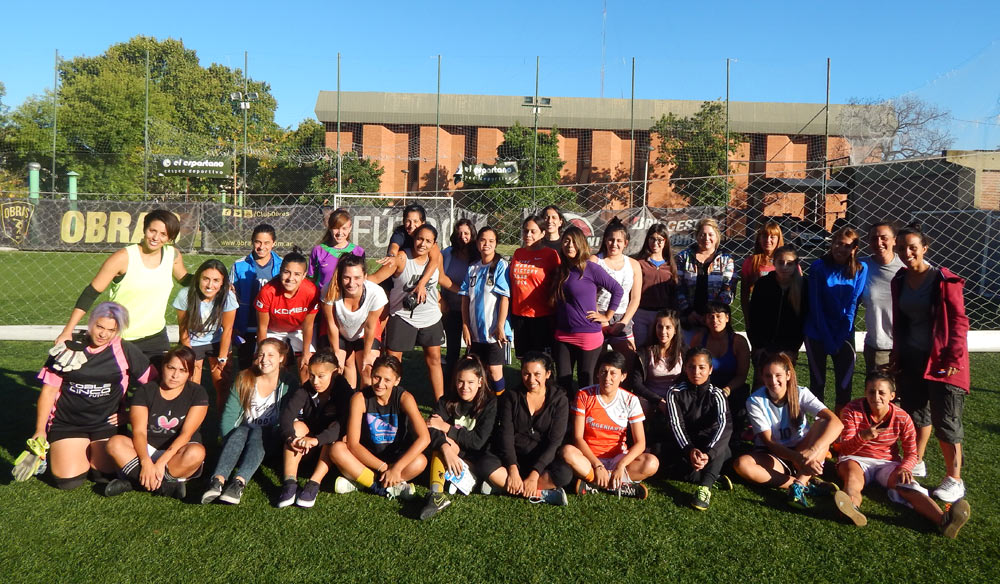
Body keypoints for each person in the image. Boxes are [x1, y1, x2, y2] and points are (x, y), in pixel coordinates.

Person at [32, 302, 153, 490]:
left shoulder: (125, 350)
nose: (103, 334)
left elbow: (154, 386)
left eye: (111, 330)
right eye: (99, 326)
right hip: (68, 423)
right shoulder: (68, 348)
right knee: (67, 481)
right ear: (91, 323)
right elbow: (48, 392)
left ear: (118, 330)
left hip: (106, 425)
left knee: (104, 475)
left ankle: (93, 456)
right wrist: (40, 430)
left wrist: (129, 414)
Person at [833, 373, 970, 538]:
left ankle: (944, 520)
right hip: (855, 458)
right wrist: (864, 437)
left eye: (881, 393)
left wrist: (905, 467)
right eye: (871, 392)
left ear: (892, 396)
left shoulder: (902, 417)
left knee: (908, 485)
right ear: (865, 392)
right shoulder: (851, 410)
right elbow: (845, 449)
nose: (876, 397)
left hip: (887, 462)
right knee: (853, 480)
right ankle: (851, 509)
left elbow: (912, 453)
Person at [889, 226, 969, 500]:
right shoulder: (899, 280)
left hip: (942, 361)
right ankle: (917, 461)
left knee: (946, 418)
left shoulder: (943, 280)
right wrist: (897, 353)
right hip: (912, 360)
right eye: (900, 248)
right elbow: (901, 322)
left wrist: (954, 357)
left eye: (912, 247)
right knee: (915, 415)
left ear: (925, 247)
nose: (906, 253)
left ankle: (954, 479)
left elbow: (959, 321)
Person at [55, 209, 188, 361]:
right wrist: (68, 330)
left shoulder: (173, 255)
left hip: (156, 338)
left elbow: (186, 280)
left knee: (158, 384)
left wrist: (214, 275)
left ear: (170, 237)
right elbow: (90, 293)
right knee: (116, 384)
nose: (156, 237)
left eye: (163, 234)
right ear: (145, 229)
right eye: (152, 230)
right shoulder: (122, 258)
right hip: (121, 338)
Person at [732, 352, 842, 509]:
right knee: (741, 464)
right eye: (768, 376)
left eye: (778, 375)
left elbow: (837, 423)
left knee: (825, 421)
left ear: (788, 375)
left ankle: (800, 483)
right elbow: (769, 442)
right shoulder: (755, 401)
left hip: (805, 452)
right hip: (775, 456)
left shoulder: (800, 392)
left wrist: (812, 451)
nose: (773, 381)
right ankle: (804, 485)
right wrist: (797, 458)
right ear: (762, 378)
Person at [201, 339, 298, 505]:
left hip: (271, 441)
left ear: (281, 358)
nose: (264, 359)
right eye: (261, 354)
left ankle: (238, 482)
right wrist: (229, 445)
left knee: (258, 431)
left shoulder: (289, 383)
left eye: (270, 355)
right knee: (242, 430)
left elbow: (287, 418)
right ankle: (217, 481)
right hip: (240, 438)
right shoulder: (245, 378)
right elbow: (229, 416)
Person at [104, 346, 209, 499]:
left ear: (190, 373)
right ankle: (166, 486)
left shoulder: (197, 393)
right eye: (171, 368)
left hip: (176, 453)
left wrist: (161, 463)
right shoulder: (146, 391)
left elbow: (186, 434)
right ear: (163, 367)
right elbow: (139, 432)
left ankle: (133, 482)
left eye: (182, 370)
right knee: (114, 443)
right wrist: (146, 462)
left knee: (196, 453)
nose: (175, 375)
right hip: (146, 448)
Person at [369, 223, 457, 401]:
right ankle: (391, 400)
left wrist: (465, 291)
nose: (422, 244)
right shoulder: (401, 259)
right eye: (419, 239)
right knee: (393, 362)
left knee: (434, 359)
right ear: (413, 239)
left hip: (430, 316)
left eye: (428, 241)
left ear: (434, 244)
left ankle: (440, 402)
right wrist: (353, 282)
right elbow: (375, 279)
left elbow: (442, 279)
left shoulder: (436, 258)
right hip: (402, 316)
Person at [477, 352, 572, 506]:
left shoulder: (560, 400)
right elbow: (506, 434)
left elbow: (555, 442)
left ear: (548, 374)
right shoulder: (511, 396)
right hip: (514, 456)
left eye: (537, 374)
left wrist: (535, 474)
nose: (531, 380)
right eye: (526, 374)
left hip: (542, 459)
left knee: (564, 474)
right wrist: (512, 468)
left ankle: (505, 487)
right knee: (484, 464)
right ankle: (540, 493)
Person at [328, 355, 430, 498]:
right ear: (371, 375)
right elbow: (353, 444)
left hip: (397, 459)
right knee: (337, 449)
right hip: (366, 459)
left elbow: (424, 438)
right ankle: (385, 487)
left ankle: (363, 482)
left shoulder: (405, 398)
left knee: (420, 461)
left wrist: (397, 468)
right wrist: (384, 468)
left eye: (387, 380)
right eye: (377, 377)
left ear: (397, 381)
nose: (380, 384)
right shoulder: (360, 398)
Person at [561, 352, 659, 499]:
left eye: (613, 373)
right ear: (597, 374)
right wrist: (597, 465)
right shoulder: (584, 395)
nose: (607, 378)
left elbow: (640, 443)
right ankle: (616, 485)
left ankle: (592, 482)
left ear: (623, 376)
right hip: (589, 458)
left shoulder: (630, 400)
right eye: (603, 372)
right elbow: (578, 438)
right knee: (567, 452)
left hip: (618, 459)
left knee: (651, 463)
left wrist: (621, 466)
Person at [419, 354, 499, 520]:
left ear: (480, 382)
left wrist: (446, 427)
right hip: (454, 452)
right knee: (441, 444)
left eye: (470, 382)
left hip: (480, 457)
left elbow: (478, 441)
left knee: (445, 442)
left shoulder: (490, 403)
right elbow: (431, 427)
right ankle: (436, 496)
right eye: (460, 381)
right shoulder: (446, 400)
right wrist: (445, 448)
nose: (464, 387)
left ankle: (473, 479)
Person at [276, 350, 354, 508]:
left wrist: (316, 440)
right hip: (308, 447)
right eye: (311, 375)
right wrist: (292, 438)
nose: (315, 381)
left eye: (321, 376)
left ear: (336, 372)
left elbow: (342, 425)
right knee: (297, 427)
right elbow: (286, 417)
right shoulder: (306, 389)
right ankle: (290, 482)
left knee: (332, 436)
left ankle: (313, 484)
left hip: (330, 446)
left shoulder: (345, 392)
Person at [552, 226, 623, 396]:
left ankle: (586, 420)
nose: (570, 245)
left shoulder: (590, 268)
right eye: (566, 241)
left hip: (588, 335)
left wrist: (607, 316)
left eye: (574, 242)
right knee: (563, 381)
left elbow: (617, 289)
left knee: (587, 382)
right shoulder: (560, 270)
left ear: (582, 244)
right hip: (563, 334)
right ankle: (566, 418)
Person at [803, 227, 867, 410]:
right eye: (838, 243)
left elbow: (853, 304)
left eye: (848, 246)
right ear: (832, 243)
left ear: (854, 249)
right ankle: (820, 430)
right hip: (817, 332)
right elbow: (815, 306)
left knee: (844, 386)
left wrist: (840, 337)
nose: (841, 249)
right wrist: (827, 338)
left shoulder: (861, 269)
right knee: (818, 384)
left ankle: (840, 432)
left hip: (843, 333)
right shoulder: (818, 266)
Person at [662, 348, 733, 511]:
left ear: (710, 370)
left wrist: (709, 454)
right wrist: (689, 449)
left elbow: (725, 426)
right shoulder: (674, 392)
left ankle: (705, 487)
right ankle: (713, 475)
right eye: (691, 367)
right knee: (660, 455)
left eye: (702, 367)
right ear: (685, 368)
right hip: (686, 445)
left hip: (710, 447)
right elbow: (676, 425)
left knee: (722, 448)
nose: (696, 372)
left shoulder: (718, 395)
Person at [173, 259, 238, 406]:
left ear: (223, 282)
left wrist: (222, 358)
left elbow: (228, 329)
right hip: (193, 342)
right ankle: (193, 422)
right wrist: (189, 355)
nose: (210, 285)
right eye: (206, 279)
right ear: (198, 278)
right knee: (192, 387)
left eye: (216, 280)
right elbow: (183, 329)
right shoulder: (185, 295)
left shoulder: (228, 297)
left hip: (217, 342)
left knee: (222, 383)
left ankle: (223, 422)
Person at [320, 255, 387, 389]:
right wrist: (335, 352)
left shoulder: (376, 294)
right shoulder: (329, 290)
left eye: (357, 278)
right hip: (338, 330)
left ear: (365, 276)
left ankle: (364, 405)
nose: (351, 283)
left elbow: (370, 327)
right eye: (346, 277)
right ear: (340, 277)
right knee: (335, 368)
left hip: (364, 332)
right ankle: (342, 402)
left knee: (368, 369)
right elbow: (331, 324)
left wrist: (367, 356)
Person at [255, 247, 321, 383]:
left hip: (300, 330)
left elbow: (308, 326)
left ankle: (306, 399)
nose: (290, 278)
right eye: (286, 272)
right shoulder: (267, 291)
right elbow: (262, 327)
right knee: (264, 365)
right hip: (274, 330)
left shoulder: (311, 291)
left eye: (297, 274)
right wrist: (262, 354)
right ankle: (271, 397)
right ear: (280, 271)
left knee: (307, 365)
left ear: (304, 275)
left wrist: (306, 353)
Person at [460, 226, 512, 394]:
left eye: (491, 241)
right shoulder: (472, 268)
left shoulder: (501, 266)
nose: (486, 244)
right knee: (476, 371)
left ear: (496, 243)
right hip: (475, 331)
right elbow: (465, 298)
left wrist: (500, 325)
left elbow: (505, 298)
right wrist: (466, 325)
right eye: (483, 240)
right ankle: (480, 406)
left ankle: (500, 407)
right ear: (477, 243)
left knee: (494, 371)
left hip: (494, 333)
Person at [690, 302, 751, 443]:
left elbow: (742, 375)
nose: (715, 320)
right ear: (705, 319)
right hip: (705, 388)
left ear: (727, 318)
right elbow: (690, 367)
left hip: (732, 388)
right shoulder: (699, 339)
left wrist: (726, 390)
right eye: (711, 317)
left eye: (719, 316)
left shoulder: (738, 341)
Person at [230, 223, 282, 370]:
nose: (261, 247)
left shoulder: (282, 265)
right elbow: (230, 298)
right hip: (246, 327)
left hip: (272, 328)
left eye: (266, 243)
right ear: (252, 241)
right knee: (246, 369)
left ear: (274, 243)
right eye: (258, 242)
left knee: (270, 367)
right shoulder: (239, 265)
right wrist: (234, 326)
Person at [509, 215, 560, 358]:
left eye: (533, 231)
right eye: (525, 231)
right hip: (519, 314)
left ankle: (548, 381)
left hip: (541, 315)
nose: (528, 235)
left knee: (543, 359)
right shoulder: (518, 253)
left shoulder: (550, 254)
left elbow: (558, 282)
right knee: (524, 357)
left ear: (543, 233)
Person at [593, 218, 643, 364]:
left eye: (619, 241)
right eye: (611, 240)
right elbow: (588, 293)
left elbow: (635, 298)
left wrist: (623, 322)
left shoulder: (633, 264)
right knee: (598, 364)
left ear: (625, 243)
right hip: (598, 315)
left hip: (622, 317)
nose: (614, 244)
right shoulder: (595, 261)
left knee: (628, 362)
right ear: (605, 240)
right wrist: (602, 321)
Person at [675, 218, 736, 336]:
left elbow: (728, 290)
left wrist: (711, 316)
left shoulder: (727, 260)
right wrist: (688, 312)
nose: (706, 238)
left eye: (710, 234)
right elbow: (678, 287)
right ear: (696, 236)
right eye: (702, 234)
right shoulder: (683, 258)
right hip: (688, 319)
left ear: (717, 237)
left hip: (715, 322)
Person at [747, 245, 807, 364]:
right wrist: (758, 345)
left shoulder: (804, 286)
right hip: (763, 346)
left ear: (796, 265)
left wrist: (793, 349)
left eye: (789, 264)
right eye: (781, 262)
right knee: (762, 381)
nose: (784, 267)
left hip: (788, 348)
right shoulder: (763, 284)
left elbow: (803, 321)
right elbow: (754, 316)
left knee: (782, 380)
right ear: (774, 263)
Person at [860, 221, 904, 374]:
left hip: (908, 345)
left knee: (910, 395)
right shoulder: (861, 266)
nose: (879, 243)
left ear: (894, 240)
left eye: (884, 237)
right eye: (873, 238)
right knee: (879, 396)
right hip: (878, 346)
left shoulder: (908, 264)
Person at [630, 309, 684, 417]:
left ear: (675, 330)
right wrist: (658, 401)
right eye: (660, 327)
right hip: (650, 398)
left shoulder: (684, 352)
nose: (663, 332)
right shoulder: (644, 352)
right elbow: (636, 383)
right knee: (640, 406)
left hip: (676, 396)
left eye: (668, 327)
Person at [441, 218, 477, 381]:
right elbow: (438, 278)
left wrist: (466, 295)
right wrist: (441, 299)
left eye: (466, 233)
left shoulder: (477, 256)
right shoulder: (447, 254)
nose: (463, 236)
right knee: (452, 351)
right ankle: (449, 387)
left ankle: (472, 384)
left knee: (473, 350)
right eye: (459, 233)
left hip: (472, 310)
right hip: (451, 309)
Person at [632, 223, 678, 347]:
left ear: (665, 241)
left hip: (662, 315)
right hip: (641, 313)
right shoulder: (639, 263)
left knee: (659, 347)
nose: (655, 243)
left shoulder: (671, 265)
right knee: (641, 348)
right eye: (652, 238)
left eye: (659, 239)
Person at [740, 220, 783, 338]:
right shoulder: (750, 262)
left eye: (772, 237)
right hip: (758, 318)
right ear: (759, 238)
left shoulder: (788, 261)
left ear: (778, 239)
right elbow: (744, 294)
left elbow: (798, 292)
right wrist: (748, 321)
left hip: (782, 318)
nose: (768, 240)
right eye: (764, 236)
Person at [309, 208, 365, 290]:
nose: (340, 233)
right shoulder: (318, 250)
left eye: (344, 228)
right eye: (336, 228)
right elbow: (311, 279)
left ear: (350, 228)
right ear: (330, 228)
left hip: (348, 300)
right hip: (324, 299)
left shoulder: (359, 252)